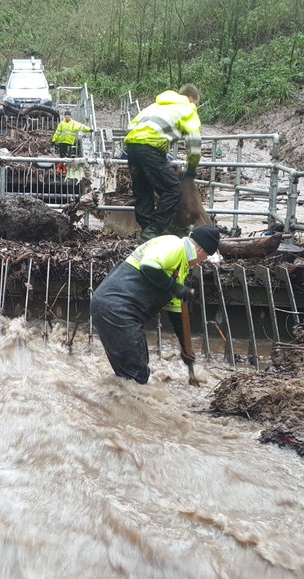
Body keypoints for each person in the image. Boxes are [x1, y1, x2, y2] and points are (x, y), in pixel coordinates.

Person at [91, 225, 221, 385]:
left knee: (136, 369)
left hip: (119, 311)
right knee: (135, 377)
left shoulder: (180, 267)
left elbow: (176, 313)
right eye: (206, 257)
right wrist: (177, 288)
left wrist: (185, 348)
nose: (204, 261)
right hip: (115, 308)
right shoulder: (174, 245)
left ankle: (118, 401)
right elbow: (149, 266)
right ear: (201, 251)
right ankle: (126, 406)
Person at [123, 84, 202, 240]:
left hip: (132, 146)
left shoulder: (154, 106)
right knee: (172, 190)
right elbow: (193, 142)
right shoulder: (188, 109)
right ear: (191, 98)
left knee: (143, 190)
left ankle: (146, 231)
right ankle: (155, 229)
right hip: (151, 147)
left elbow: (130, 126)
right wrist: (192, 167)